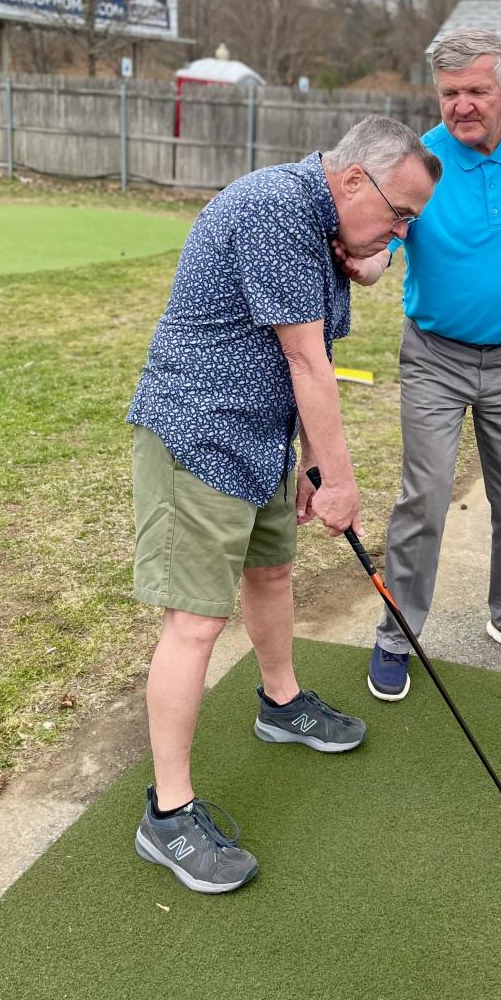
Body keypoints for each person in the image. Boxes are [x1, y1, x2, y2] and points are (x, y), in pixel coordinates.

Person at [126, 115, 442, 892]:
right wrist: (337, 479)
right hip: (199, 432)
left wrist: (306, 457)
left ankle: (281, 701)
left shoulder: (324, 220)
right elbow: (307, 360)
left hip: (260, 434)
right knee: (194, 622)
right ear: (354, 179)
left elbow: (318, 340)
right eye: (398, 215)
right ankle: (167, 815)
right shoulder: (275, 209)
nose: (400, 234)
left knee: (269, 576)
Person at [337, 28, 501, 702]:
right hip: (435, 359)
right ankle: (398, 635)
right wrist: (362, 263)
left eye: (477, 90)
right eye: (450, 93)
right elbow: (381, 247)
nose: (462, 105)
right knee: (422, 499)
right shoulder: (415, 162)